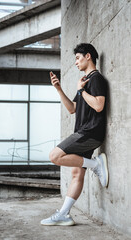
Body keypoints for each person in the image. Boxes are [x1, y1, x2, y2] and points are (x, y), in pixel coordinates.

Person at [41, 43, 108, 226]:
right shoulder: (85, 81)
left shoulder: (96, 79)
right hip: (84, 132)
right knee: (77, 174)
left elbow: (99, 105)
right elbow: (72, 109)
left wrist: (81, 90)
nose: (76, 63)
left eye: (78, 58)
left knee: (55, 156)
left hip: (90, 132)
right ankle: (64, 214)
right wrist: (58, 88)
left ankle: (95, 163)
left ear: (88, 56)